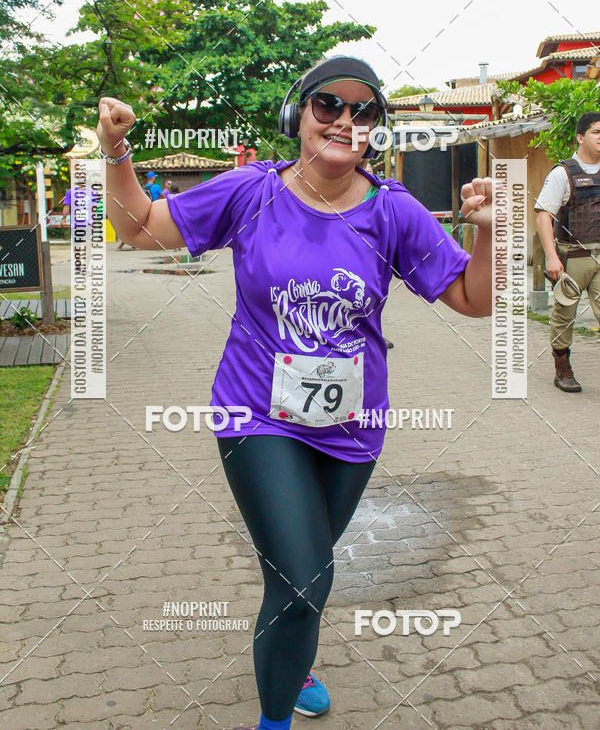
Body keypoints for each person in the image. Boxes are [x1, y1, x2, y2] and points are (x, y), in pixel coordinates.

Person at [95, 55, 493, 730]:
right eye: (328, 105)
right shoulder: (250, 191)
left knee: (294, 578)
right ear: (298, 115)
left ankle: (292, 653)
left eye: (362, 110)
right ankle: (273, 719)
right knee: (307, 579)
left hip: (352, 428)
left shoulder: (393, 210)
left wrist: (488, 233)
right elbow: (137, 228)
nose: (344, 119)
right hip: (254, 414)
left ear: (376, 129)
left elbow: (471, 298)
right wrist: (116, 150)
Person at [535, 110, 600, 392]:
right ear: (580, 137)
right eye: (597, 132)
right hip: (572, 259)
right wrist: (551, 256)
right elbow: (543, 216)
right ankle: (563, 369)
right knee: (564, 317)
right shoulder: (563, 173)